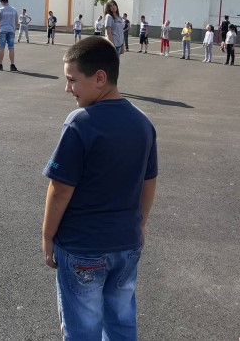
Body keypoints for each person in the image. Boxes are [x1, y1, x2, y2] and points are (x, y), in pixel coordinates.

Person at [42, 37, 157, 340]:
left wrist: (48, 236)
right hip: (126, 243)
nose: (67, 88)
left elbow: (60, 189)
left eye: (72, 80)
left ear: (99, 78)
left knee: (82, 327)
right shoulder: (142, 122)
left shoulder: (80, 123)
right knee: (120, 321)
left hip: (82, 246)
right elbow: (149, 181)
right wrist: (141, 223)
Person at [0, 0, 19, 72]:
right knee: (11, 48)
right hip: (11, 30)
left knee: (1, 47)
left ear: (2, 2)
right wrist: (14, 29)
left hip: (2, 30)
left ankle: (0, 64)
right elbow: (16, 21)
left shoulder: (0, 9)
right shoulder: (14, 10)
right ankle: (12, 65)